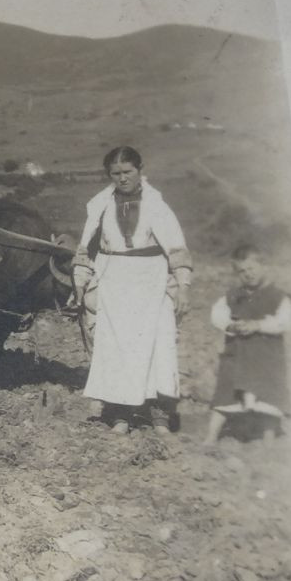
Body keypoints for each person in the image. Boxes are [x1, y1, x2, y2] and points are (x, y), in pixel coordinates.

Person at [72, 146, 193, 431]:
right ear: (109, 175)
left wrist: (184, 287)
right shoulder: (99, 206)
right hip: (114, 283)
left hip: (151, 281)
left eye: (128, 172)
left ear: (140, 170)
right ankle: (121, 414)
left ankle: (159, 415)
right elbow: (86, 249)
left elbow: (176, 248)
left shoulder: (157, 206)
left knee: (159, 346)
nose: (122, 178)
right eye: (116, 173)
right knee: (117, 349)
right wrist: (80, 283)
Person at [205, 244, 291, 444]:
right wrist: (231, 325)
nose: (248, 275)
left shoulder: (278, 296)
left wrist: (258, 325)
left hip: (265, 355)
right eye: (242, 271)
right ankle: (211, 435)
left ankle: (268, 436)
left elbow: (284, 321)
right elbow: (217, 314)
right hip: (237, 354)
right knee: (226, 392)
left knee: (269, 395)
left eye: (252, 269)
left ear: (263, 267)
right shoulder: (233, 295)